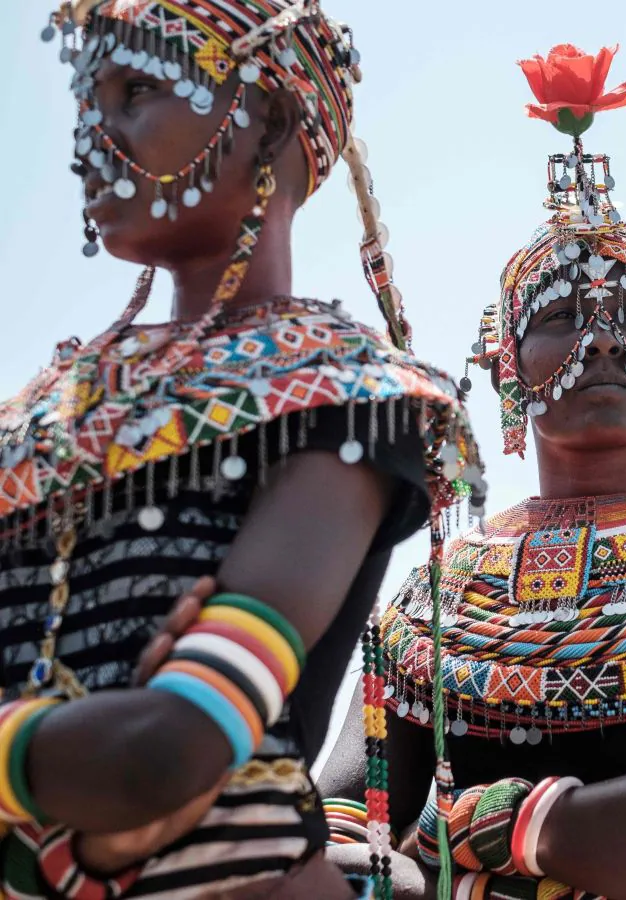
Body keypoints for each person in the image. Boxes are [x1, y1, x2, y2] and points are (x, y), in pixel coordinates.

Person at [318, 44, 626, 900]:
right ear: (504, 365)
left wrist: (486, 824)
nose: (601, 338)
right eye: (560, 314)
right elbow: (341, 830)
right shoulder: (435, 603)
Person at [0, 2, 481, 897]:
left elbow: (168, 751)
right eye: (84, 103)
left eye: (136, 90)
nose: (88, 138)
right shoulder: (39, 414)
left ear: (273, 118)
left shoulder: (351, 399)